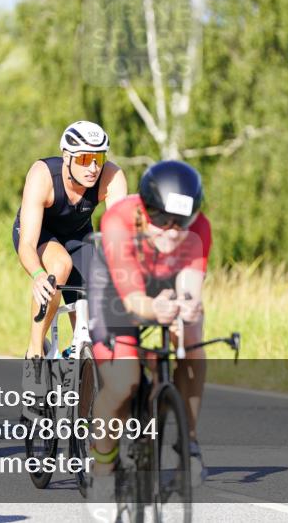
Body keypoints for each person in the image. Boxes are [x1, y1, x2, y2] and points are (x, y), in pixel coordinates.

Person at [85, 160, 212, 508]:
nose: (171, 232)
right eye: (161, 221)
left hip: (161, 281)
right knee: (123, 382)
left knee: (192, 337)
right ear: (144, 209)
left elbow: (190, 282)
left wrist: (187, 306)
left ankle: (188, 440)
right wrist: (155, 308)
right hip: (115, 286)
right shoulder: (119, 220)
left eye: (181, 223)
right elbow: (133, 298)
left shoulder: (200, 228)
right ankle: (102, 467)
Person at [12, 121, 127, 400]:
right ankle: (35, 351)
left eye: (98, 158)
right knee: (59, 267)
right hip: (40, 235)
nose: (93, 168)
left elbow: (121, 236)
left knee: (90, 322)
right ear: (67, 157)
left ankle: (81, 397)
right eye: (85, 159)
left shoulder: (111, 177)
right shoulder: (43, 175)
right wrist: (39, 274)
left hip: (79, 238)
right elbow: (27, 242)